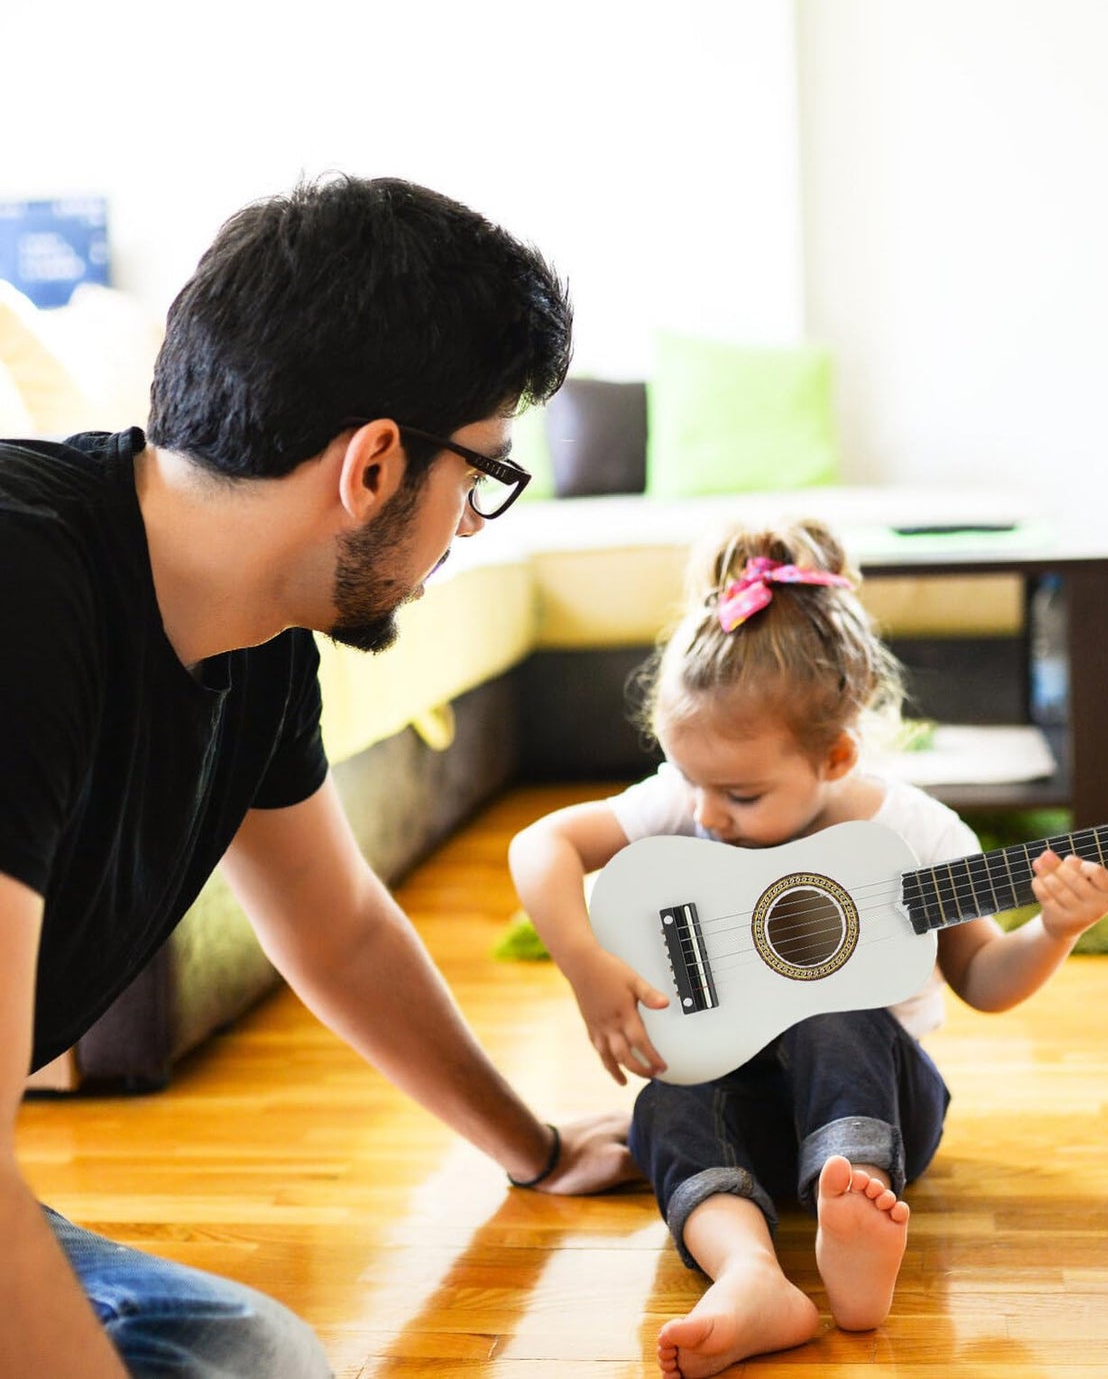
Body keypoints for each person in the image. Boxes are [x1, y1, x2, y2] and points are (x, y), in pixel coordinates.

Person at [0, 174, 636, 1379]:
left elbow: (335, 925)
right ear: (374, 465)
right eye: (484, 474)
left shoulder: (259, 642)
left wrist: (537, 1149)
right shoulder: (23, 597)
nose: (473, 523)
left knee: (249, 1354)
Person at [508, 518, 1108, 1377]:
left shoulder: (913, 830)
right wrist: (585, 965)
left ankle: (852, 1212)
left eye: (741, 793)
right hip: (746, 1112)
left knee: (832, 1006)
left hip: (876, 1105)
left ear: (833, 755)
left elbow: (983, 978)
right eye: (695, 784)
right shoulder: (694, 795)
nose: (710, 813)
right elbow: (540, 846)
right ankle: (750, 1275)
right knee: (669, 1099)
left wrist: (1054, 928)